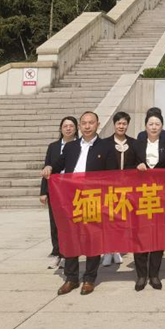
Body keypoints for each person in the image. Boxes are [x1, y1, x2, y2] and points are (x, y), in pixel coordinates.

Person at [41, 111, 118, 296]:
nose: (87, 126)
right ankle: (71, 278)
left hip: (93, 199)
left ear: (97, 124)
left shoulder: (106, 147)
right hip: (71, 199)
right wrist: (50, 167)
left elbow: (113, 176)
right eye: (84, 123)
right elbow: (57, 165)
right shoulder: (71, 147)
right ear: (79, 126)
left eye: (91, 122)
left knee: (92, 239)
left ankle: (89, 279)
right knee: (71, 238)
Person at [131, 109, 165, 290]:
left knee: (158, 234)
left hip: (160, 196)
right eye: (150, 124)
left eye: (157, 124)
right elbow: (128, 167)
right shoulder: (137, 144)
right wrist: (137, 167)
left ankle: (154, 274)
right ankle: (141, 275)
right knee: (140, 235)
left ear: (162, 126)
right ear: (145, 126)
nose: (154, 127)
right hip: (140, 196)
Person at [40, 116, 78, 269]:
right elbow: (47, 168)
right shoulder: (53, 147)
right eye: (65, 126)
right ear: (61, 129)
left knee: (71, 224)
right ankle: (57, 252)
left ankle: (68, 254)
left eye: (71, 126)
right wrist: (43, 192)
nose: (68, 128)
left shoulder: (80, 146)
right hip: (55, 191)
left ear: (76, 129)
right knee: (55, 222)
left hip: (73, 191)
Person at [102, 111, 138, 267]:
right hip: (109, 189)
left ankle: (117, 248)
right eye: (119, 123)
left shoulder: (134, 143)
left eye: (124, 124)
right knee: (109, 220)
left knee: (122, 220)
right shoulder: (105, 144)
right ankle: (108, 251)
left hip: (127, 189)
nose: (121, 126)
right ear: (114, 124)